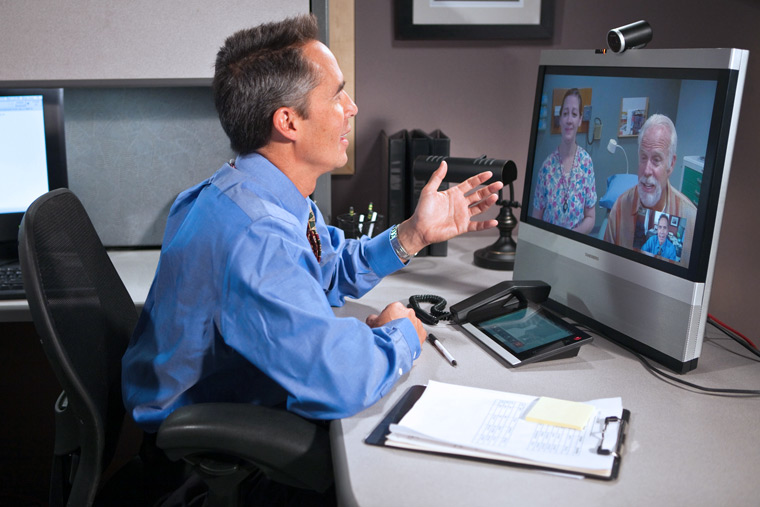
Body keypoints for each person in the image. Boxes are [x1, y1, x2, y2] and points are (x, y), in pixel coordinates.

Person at [121, 15, 502, 434]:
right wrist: (404, 332)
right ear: (289, 122)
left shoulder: (255, 189)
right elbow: (342, 380)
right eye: (337, 95)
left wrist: (413, 234)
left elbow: (328, 267)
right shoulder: (258, 236)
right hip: (213, 435)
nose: (352, 108)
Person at [604, 114, 696, 265]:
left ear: (671, 164)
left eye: (656, 160)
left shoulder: (692, 220)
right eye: (643, 157)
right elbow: (605, 267)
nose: (647, 170)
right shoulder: (620, 208)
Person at [531, 88, 597, 234]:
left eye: (574, 114)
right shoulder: (546, 167)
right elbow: (536, 218)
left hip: (575, 244)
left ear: (580, 120)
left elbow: (591, 217)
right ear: (559, 119)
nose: (569, 120)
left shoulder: (586, 163)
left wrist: (572, 237)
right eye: (565, 113)